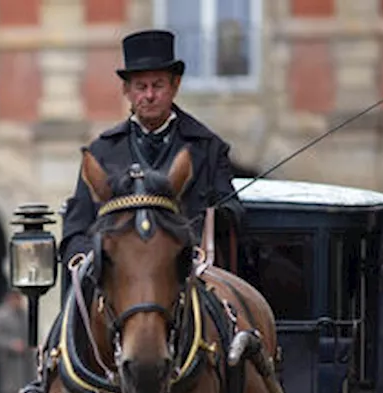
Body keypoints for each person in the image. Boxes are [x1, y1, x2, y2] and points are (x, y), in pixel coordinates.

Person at [59, 29, 244, 268]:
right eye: (140, 86)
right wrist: (95, 260)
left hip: (186, 270)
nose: (149, 95)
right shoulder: (101, 152)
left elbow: (234, 212)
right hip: (118, 274)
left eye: (157, 85)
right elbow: (76, 228)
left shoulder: (209, 148)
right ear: (126, 90)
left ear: (175, 86)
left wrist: (211, 217)